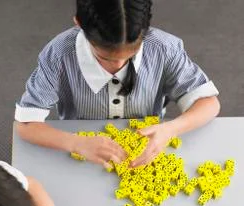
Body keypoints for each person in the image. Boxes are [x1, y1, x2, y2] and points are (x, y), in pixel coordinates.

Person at [15, 0, 220, 168]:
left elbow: (209, 104)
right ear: (79, 23)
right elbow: (25, 125)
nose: (119, 65)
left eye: (130, 56)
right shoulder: (59, 54)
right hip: (82, 153)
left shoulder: (164, 49)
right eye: (106, 58)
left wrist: (170, 129)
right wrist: (76, 143)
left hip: (146, 148)